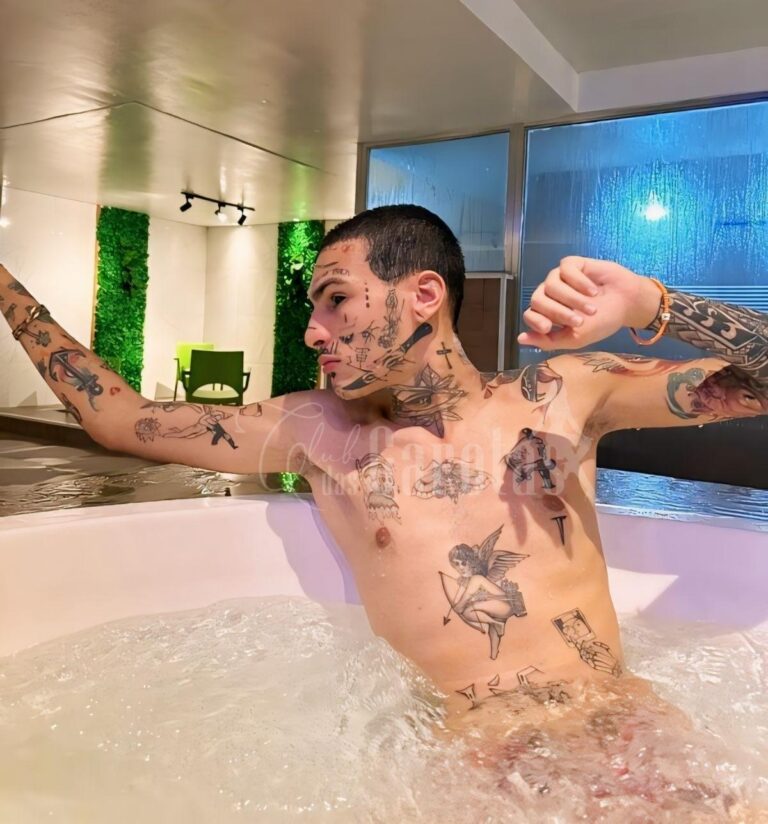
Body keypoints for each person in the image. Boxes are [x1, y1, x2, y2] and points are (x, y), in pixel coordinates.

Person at [3, 204, 767, 816]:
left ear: (423, 296)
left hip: (635, 737)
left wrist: (652, 304)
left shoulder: (562, 392)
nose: (314, 332)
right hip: (481, 772)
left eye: (336, 301)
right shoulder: (319, 432)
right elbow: (120, 418)